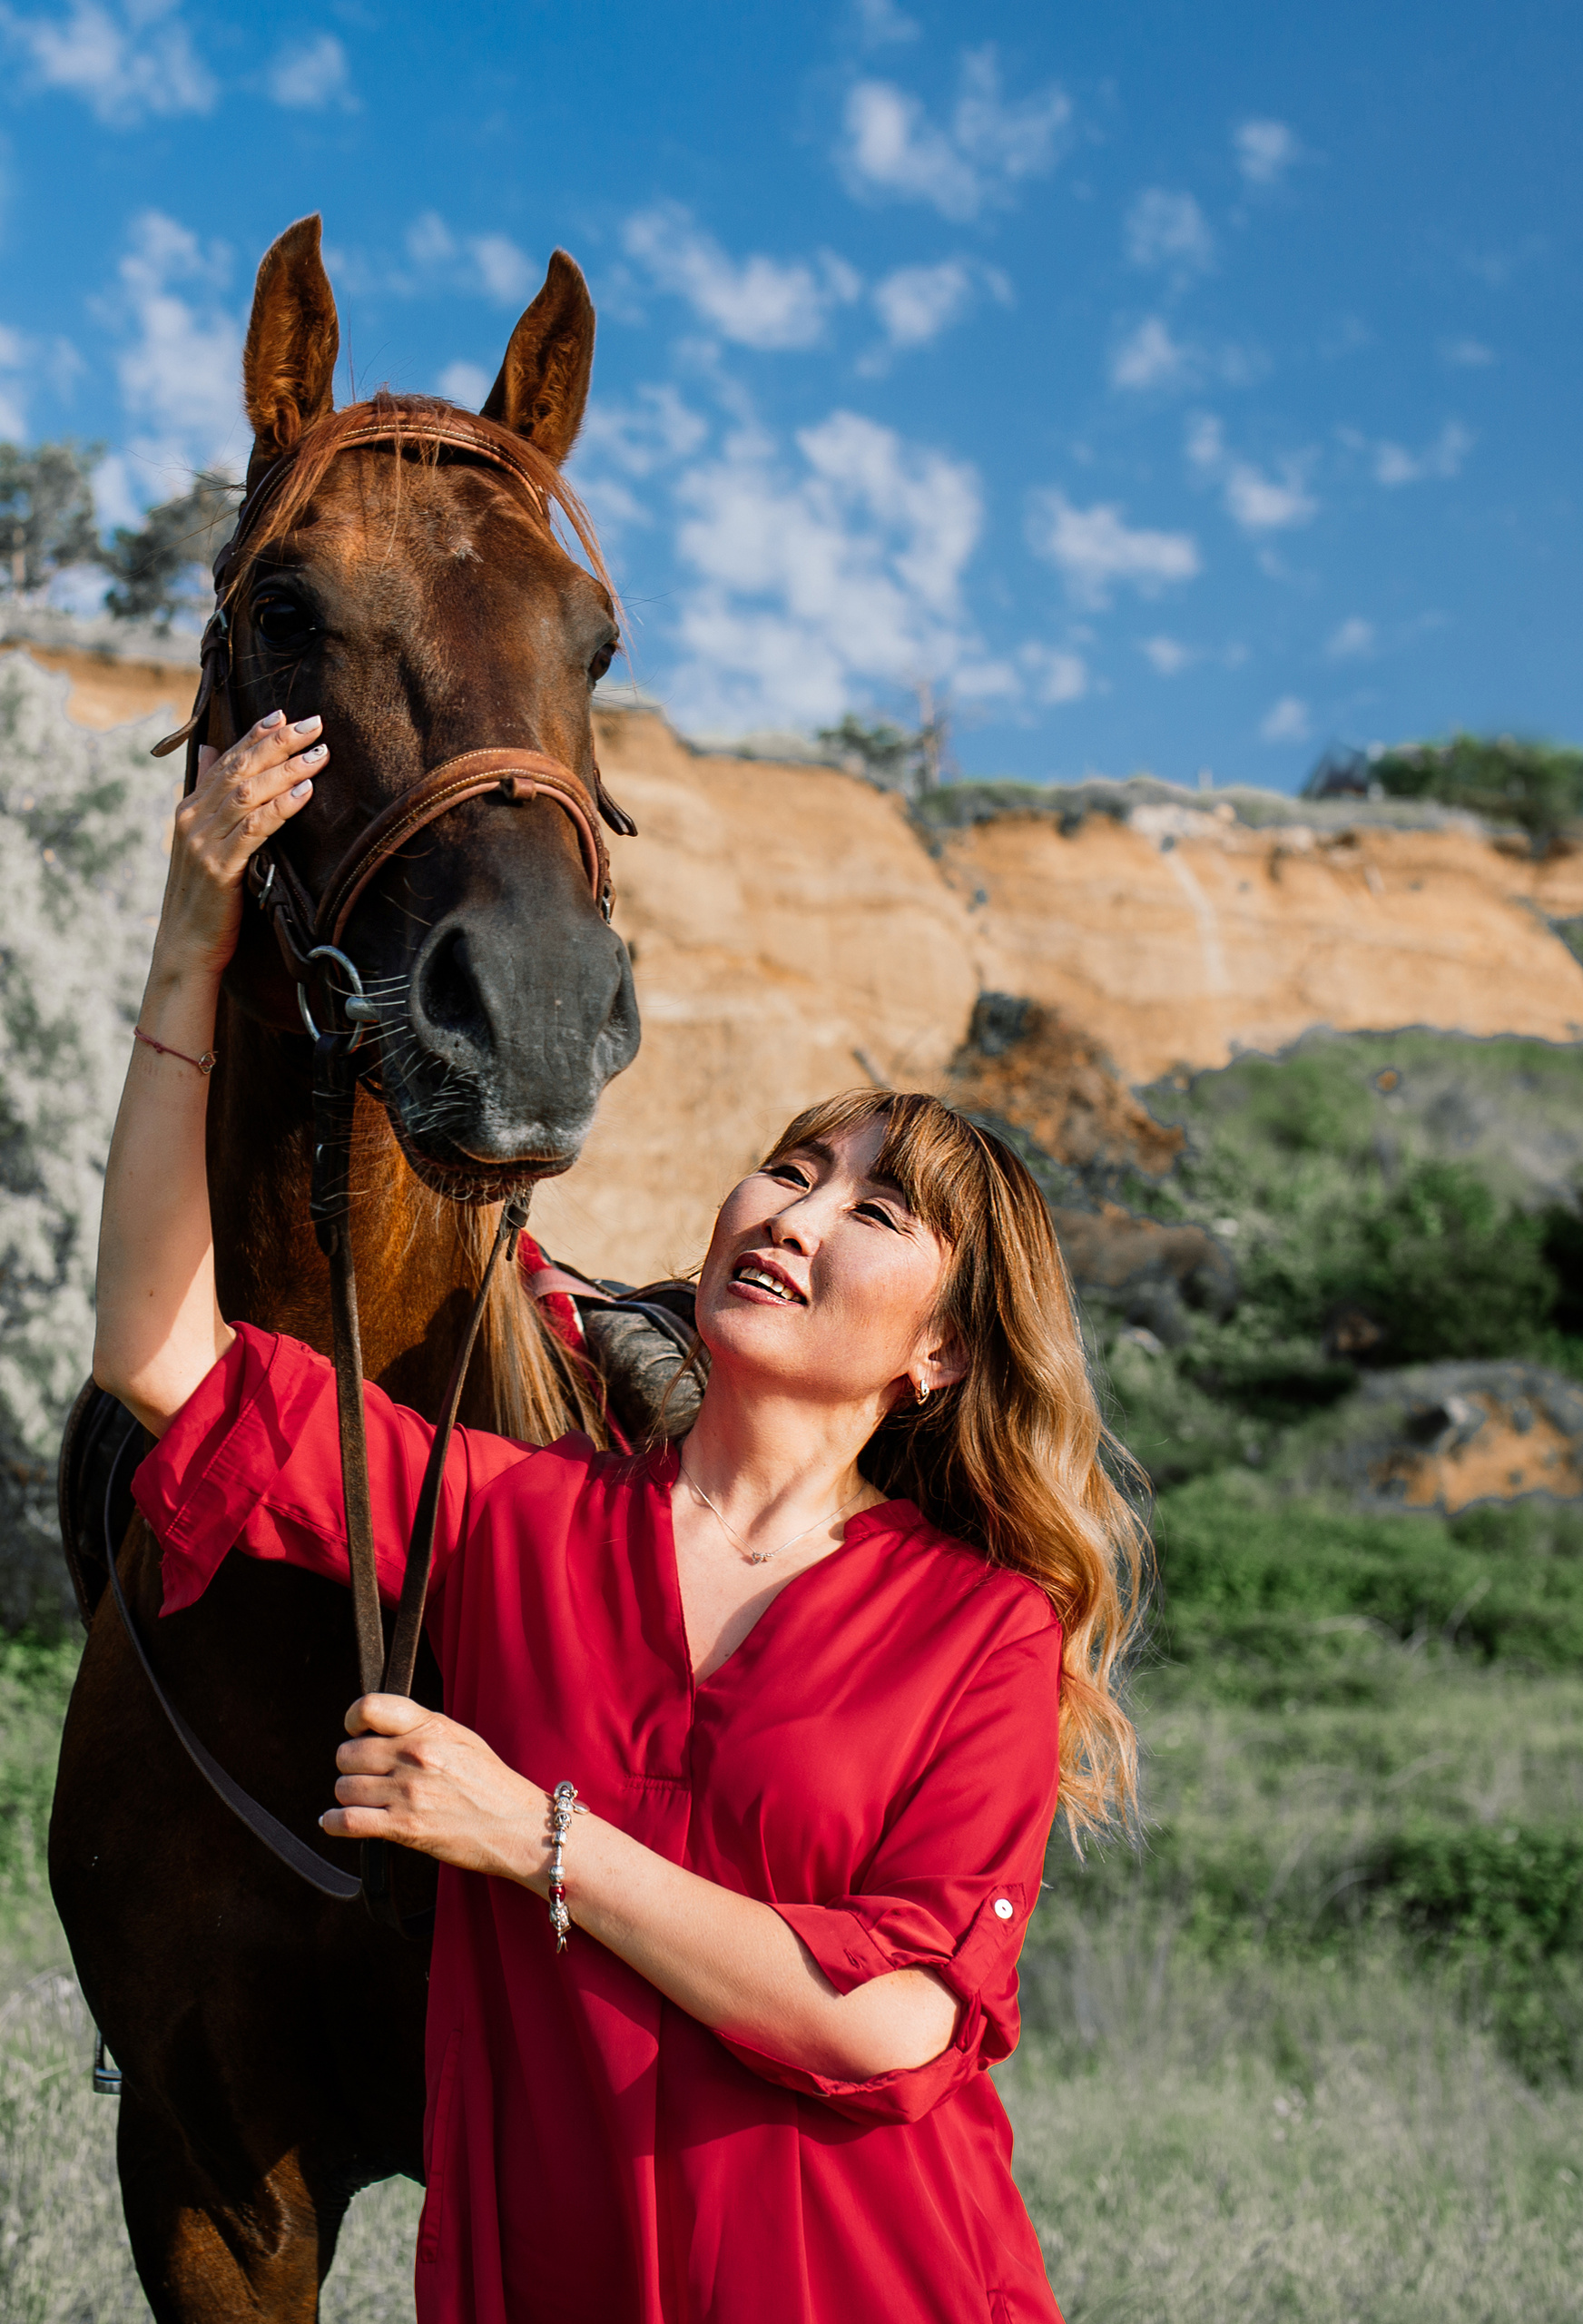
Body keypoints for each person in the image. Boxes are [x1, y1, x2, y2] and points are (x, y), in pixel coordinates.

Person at [93, 711, 1147, 2323]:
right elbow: (162, 1358)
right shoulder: (510, 1521)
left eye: (873, 1211)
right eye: (790, 1171)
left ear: (942, 1353)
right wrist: (190, 936)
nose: (795, 1218)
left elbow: (891, 2026)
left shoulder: (979, 1626)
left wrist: (531, 1836)